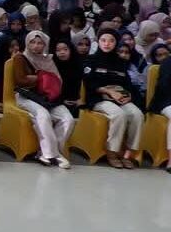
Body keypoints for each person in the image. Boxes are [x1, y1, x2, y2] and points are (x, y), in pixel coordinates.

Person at [8, 32, 76, 168]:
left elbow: (57, 81)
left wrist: (38, 78)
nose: (36, 46)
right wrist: (41, 78)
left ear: (45, 45)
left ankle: (48, 152)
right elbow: (20, 80)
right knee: (43, 115)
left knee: (68, 119)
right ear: (27, 43)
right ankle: (53, 155)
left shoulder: (48, 60)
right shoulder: (20, 58)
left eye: (40, 43)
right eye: (32, 42)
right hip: (26, 96)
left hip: (48, 97)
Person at [83, 29, 144, 169]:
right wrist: (109, 91)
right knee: (119, 115)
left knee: (137, 115)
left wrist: (129, 95)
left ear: (116, 43)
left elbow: (127, 83)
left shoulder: (120, 62)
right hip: (99, 98)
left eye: (111, 41)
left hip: (120, 97)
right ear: (98, 41)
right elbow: (89, 83)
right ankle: (112, 152)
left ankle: (127, 154)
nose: (107, 44)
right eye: (103, 40)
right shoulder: (91, 60)